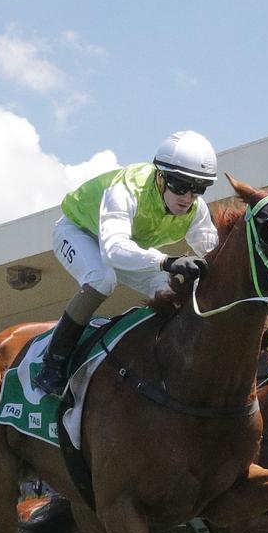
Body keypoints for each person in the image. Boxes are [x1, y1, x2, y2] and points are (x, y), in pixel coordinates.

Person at [34, 131, 218, 394]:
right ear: (160, 176)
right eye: (180, 185)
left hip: (124, 244)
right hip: (79, 231)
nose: (188, 197)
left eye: (198, 188)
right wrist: (167, 261)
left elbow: (214, 255)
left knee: (171, 292)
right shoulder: (126, 190)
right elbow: (113, 251)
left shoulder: (196, 211)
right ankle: (52, 363)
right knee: (102, 278)